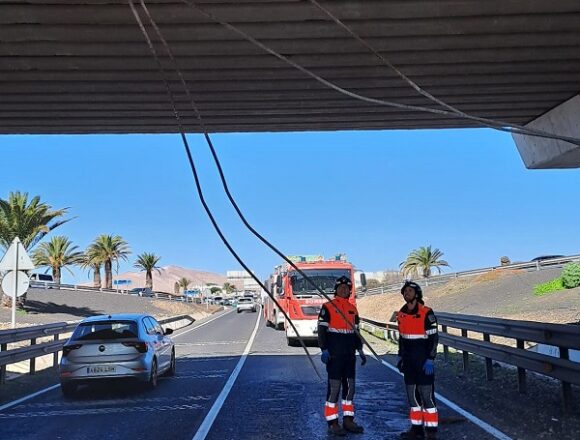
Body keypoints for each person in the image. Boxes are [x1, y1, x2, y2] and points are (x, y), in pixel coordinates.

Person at [317, 275, 366, 436]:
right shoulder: (328, 307)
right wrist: (324, 349)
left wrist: (360, 349)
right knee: (334, 389)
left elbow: (357, 331)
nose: (344, 290)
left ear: (350, 290)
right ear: (336, 290)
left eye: (347, 288)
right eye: (341, 287)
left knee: (350, 388)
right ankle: (333, 423)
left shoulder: (353, 308)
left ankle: (348, 420)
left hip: (349, 355)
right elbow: (322, 331)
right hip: (334, 355)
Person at [396, 281, 439, 439]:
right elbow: (401, 338)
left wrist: (430, 358)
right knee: (412, 397)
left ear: (417, 293)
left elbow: (434, 338)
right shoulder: (401, 313)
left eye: (409, 291)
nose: (406, 293)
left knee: (427, 397)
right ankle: (416, 429)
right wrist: (400, 355)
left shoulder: (427, 313)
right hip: (408, 362)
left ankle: (431, 432)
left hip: (423, 360)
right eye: (405, 291)